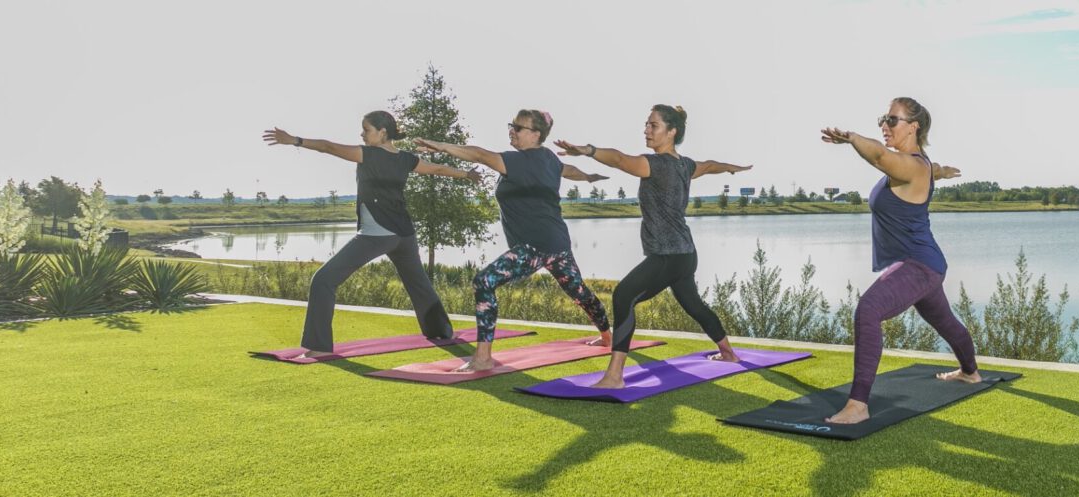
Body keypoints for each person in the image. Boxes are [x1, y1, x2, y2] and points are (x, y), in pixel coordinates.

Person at [552, 104, 752, 388]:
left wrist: (588, 150)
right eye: (646, 125)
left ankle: (614, 376)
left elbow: (621, 160)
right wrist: (730, 168)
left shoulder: (654, 165)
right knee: (693, 304)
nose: (646, 130)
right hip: (685, 254)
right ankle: (728, 353)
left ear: (672, 132)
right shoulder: (685, 165)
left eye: (653, 125)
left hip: (667, 255)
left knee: (623, 296)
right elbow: (708, 166)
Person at [260, 111, 481, 358]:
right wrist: (467, 174)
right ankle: (441, 331)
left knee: (323, 281)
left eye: (366, 130)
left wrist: (295, 140)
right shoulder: (406, 159)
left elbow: (328, 147)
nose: (362, 135)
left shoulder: (368, 154)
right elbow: (437, 169)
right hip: (404, 234)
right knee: (418, 285)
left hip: (377, 234)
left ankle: (319, 347)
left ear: (382, 132)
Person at [817, 97, 982, 424]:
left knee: (869, 309)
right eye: (883, 118)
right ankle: (970, 372)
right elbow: (926, 169)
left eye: (892, 120)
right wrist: (943, 172)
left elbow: (878, 155)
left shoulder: (910, 165)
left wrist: (851, 137)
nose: (884, 125)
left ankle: (858, 406)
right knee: (945, 322)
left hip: (919, 265)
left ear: (914, 126)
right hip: (923, 265)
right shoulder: (919, 165)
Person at [413, 109, 611, 372]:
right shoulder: (549, 159)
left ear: (535, 134)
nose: (512, 131)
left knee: (484, 282)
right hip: (557, 244)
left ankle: (483, 358)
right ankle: (609, 337)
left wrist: (439, 145)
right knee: (578, 291)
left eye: (518, 127)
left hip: (534, 246)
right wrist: (587, 177)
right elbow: (568, 169)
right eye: (512, 125)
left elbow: (480, 155)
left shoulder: (522, 160)